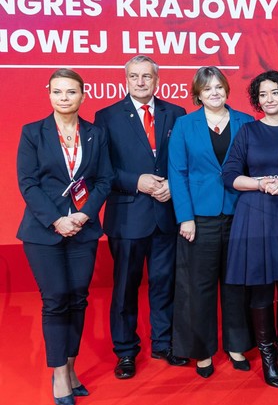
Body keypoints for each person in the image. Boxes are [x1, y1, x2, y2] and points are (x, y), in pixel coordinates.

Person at [17, 69, 113, 405]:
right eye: (57, 92)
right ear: (49, 94)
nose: (64, 98)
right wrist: (57, 220)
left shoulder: (95, 134)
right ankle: (59, 373)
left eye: (71, 92)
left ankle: (71, 367)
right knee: (56, 299)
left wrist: (84, 216)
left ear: (83, 95)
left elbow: (104, 180)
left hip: (83, 230)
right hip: (44, 232)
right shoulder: (33, 133)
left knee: (78, 298)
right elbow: (28, 183)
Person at [94, 55, 188, 380]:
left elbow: (184, 160)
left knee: (165, 283)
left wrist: (173, 185)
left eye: (146, 76)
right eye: (134, 76)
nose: (140, 82)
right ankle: (125, 351)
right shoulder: (106, 116)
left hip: (166, 215)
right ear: (126, 80)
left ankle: (164, 343)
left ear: (156, 79)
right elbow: (102, 169)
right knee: (125, 288)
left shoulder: (176, 113)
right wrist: (138, 181)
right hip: (127, 216)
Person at [167, 66, 255, 378]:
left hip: (238, 214)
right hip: (199, 218)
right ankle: (202, 351)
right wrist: (185, 217)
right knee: (198, 287)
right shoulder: (184, 125)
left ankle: (237, 345)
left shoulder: (245, 121)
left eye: (218, 87)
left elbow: (252, 166)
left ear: (226, 90)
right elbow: (177, 173)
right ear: (198, 95)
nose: (214, 93)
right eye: (207, 89)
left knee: (236, 284)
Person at [222, 70, 278, 388]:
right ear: (256, 100)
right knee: (260, 289)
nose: (269, 99)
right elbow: (230, 174)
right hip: (254, 214)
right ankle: (268, 356)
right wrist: (261, 183)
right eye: (262, 94)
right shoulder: (248, 131)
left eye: (274, 92)